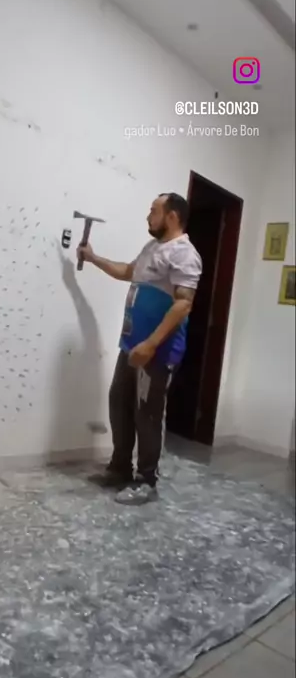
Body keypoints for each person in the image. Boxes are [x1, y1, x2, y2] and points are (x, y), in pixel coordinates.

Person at [77, 192, 202, 505]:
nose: (148, 216)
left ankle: (147, 481)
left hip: (157, 352)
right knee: (119, 403)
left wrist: (151, 344)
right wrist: (93, 258)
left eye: (154, 211)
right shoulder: (152, 248)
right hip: (132, 346)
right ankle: (120, 468)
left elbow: (183, 304)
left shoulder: (185, 254)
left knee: (147, 414)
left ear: (172, 216)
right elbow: (127, 272)